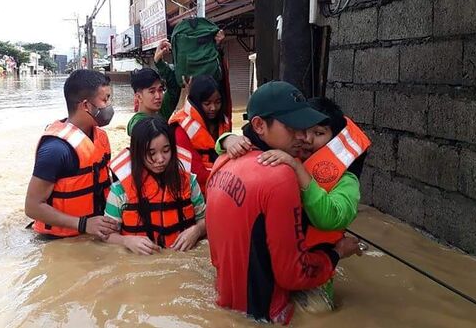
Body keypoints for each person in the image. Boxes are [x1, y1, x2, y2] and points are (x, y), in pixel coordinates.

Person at [205, 81, 362, 324]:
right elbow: (292, 275)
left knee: (319, 306)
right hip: (277, 298)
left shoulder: (223, 163)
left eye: (318, 133)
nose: (305, 138)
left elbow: (332, 216)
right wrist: (227, 139)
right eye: (295, 127)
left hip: (234, 295)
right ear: (258, 125)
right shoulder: (281, 173)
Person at [24, 70, 119, 240]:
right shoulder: (56, 149)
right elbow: (32, 207)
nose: (109, 106)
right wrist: (84, 224)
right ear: (85, 105)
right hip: (59, 240)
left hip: (96, 231)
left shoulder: (100, 137)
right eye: (105, 100)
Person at [104, 116, 207, 255]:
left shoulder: (189, 181)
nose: (160, 159)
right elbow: (106, 235)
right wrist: (126, 241)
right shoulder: (119, 191)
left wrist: (197, 230)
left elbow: (207, 220)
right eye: (151, 153)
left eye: (166, 151)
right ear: (138, 154)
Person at [168, 75, 231, 193]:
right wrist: (231, 176)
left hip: (222, 187)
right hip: (197, 193)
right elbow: (196, 171)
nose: (213, 108)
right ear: (196, 102)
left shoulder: (223, 122)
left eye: (218, 102)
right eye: (207, 103)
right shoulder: (180, 128)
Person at [126, 40, 181, 136]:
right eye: (152, 91)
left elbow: (175, 86)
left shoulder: (162, 109)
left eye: (160, 90)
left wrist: (158, 62)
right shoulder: (137, 123)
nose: (158, 96)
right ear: (139, 97)